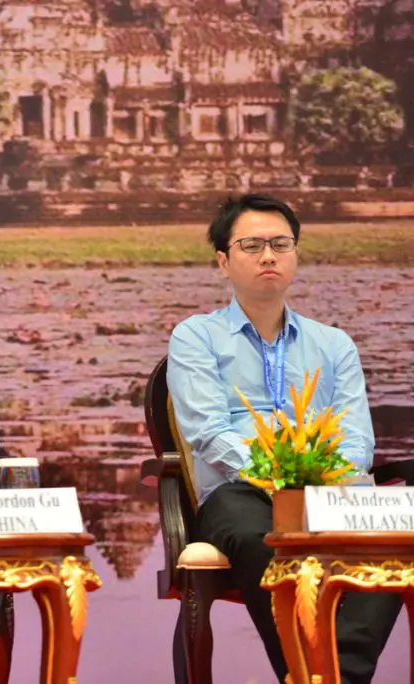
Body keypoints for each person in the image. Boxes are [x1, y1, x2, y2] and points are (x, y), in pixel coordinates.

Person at [167, 193, 402, 683]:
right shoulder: (196, 336)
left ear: (295, 254)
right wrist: (277, 477)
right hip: (240, 492)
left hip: (328, 493)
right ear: (223, 261)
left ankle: (328, 676)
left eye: (280, 244)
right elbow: (208, 432)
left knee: (393, 535)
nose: (268, 256)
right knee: (262, 538)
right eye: (252, 245)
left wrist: (321, 480)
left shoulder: (333, 344)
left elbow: (357, 441)